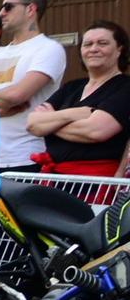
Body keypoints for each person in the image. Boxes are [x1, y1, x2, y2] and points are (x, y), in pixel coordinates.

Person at [25, 20, 130, 185]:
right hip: (54, 180)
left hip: (96, 184)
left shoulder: (125, 87)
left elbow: (96, 131)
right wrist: (73, 114)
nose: (94, 49)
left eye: (102, 43)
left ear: (119, 49)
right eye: (87, 44)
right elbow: (32, 124)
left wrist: (51, 122)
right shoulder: (71, 87)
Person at [0, 0, 67, 173]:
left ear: (30, 9)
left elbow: (17, 95)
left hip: (25, 157)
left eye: (8, 7)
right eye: (1, 7)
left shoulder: (48, 48)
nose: (1, 13)